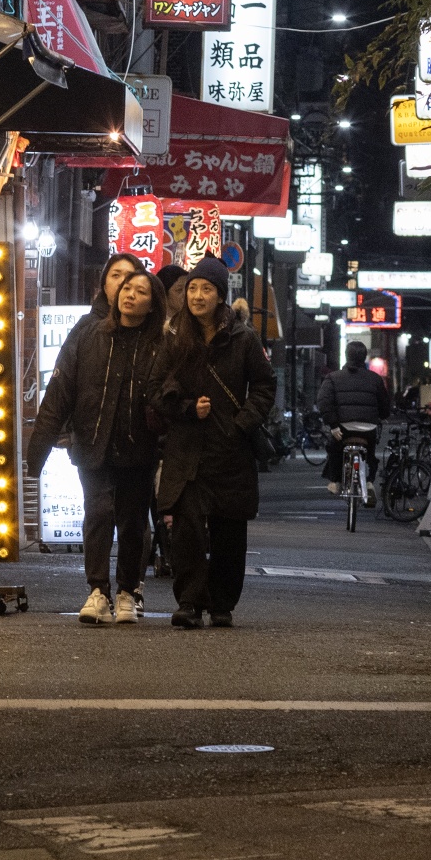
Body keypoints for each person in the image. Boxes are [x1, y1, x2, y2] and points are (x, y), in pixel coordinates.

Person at [29, 268, 169, 625]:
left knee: (133, 520)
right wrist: (38, 451)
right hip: (93, 444)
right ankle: (97, 591)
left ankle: (127, 590)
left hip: (140, 446)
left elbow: (171, 396)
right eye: (125, 288)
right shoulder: (90, 334)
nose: (130, 294)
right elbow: (60, 392)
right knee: (99, 512)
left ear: (153, 304)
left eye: (140, 290)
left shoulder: (162, 344)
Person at [152, 256, 275, 628]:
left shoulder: (243, 337)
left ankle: (222, 602)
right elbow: (154, 390)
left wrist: (242, 423)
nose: (197, 295)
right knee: (186, 530)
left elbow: (265, 385)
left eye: (206, 289)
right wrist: (189, 408)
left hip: (230, 448)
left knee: (229, 529)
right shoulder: (174, 337)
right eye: (192, 288)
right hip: (187, 447)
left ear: (220, 296)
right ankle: (188, 601)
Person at [317, 342, 392, 496]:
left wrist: (333, 424)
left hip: (342, 428)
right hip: (368, 428)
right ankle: (370, 480)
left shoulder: (333, 377)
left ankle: (334, 481)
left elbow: (324, 402)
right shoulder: (375, 378)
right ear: (364, 357)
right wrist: (380, 416)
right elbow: (384, 406)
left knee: (334, 449)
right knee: (370, 452)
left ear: (346, 355)